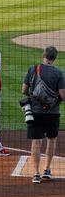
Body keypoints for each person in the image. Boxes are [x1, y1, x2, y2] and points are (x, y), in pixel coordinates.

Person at [22, 46, 65, 183]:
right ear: (55, 58)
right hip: (52, 113)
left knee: (36, 141)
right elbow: (63, 96)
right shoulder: (58, 73)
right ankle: (47, 170)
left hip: (35, 112)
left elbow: (24, 90)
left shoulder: (32, 69)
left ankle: (36, 174)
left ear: (43, 55)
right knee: (51, 139)